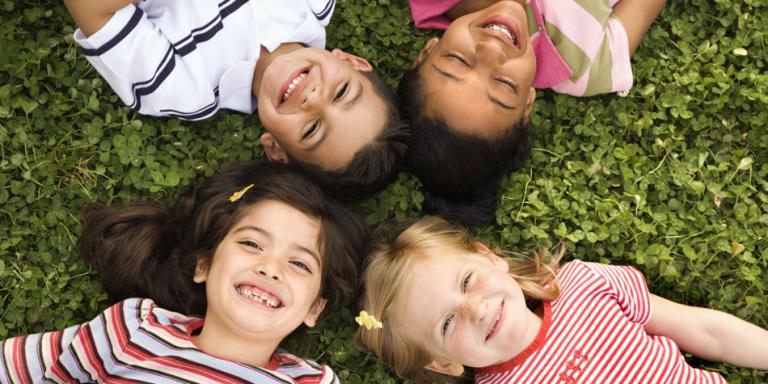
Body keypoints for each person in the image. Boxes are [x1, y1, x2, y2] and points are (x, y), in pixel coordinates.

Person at [0, 160, 369, 383]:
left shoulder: (311, 381)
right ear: (203, 265)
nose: (270, 268)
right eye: (252, 244)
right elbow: (14, 367)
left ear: (314, 309)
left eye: (300, 263)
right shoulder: (132, 331)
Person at [62, 0, 408, 200]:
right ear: (351, 61)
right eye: (342, 92)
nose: (314, 100)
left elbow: (94, 9)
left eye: (312, 129)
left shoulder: (183, 87)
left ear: (275, 150)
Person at [355, 217, 768, 383]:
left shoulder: (584, 285)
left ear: (489, 257)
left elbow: (703, 330)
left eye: (467, 281)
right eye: (446, 324)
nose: (476, 309)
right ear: (443, 363)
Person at [399, 0, 666, 226]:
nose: (492, 50)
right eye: (504, 85)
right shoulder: (583, 68)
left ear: (427, 53)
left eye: (457, 60)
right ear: (527, 102)